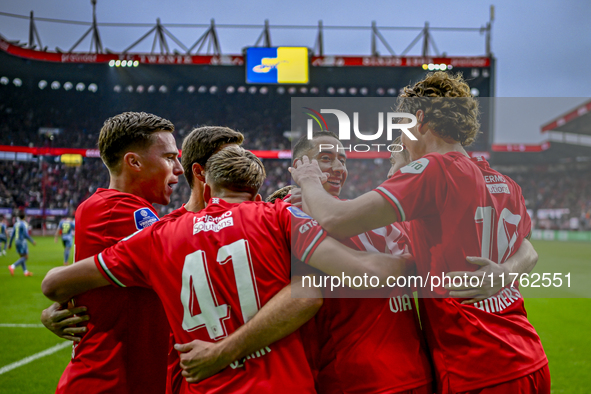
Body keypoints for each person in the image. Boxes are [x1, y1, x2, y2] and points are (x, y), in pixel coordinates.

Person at [41, 145, 408, 393]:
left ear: (207, 182)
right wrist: (423, 262)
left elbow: (56, 282)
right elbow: (344, 279)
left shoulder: (158, 235)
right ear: (258, 188)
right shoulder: (278, 217)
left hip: (203, 384)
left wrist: (59, 309)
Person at [291, 72, 549, 393]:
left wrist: (309, 179)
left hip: (478, 364)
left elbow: (335, 218)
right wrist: (505, 272)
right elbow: (529, 250)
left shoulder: (434, 170)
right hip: (527, 353)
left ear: (419, 119)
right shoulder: (499, 179)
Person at [44, 111, 184, 394]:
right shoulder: (122, 210)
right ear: (134, 162)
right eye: (170, 157)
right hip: (113, 381)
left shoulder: (107, 207)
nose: (179, 168)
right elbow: (183, 264)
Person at [290, 131, 434, 394]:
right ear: (300, 167)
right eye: (326, 158)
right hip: (386, 374)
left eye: (343, 161)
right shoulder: (295, 219)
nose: (338, 168)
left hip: (383, 373)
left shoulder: (351, 214)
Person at [7, 210, 36, 276]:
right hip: (22, 242)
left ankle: (25, 272)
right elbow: (26, 234)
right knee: (25, 257)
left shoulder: (16, 224)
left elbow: (12, 235)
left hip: (16, 241)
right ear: (24, 217)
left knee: (22, 257)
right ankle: (12, 266)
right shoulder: (24, 224)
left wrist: (10, 243)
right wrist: (32, 241)